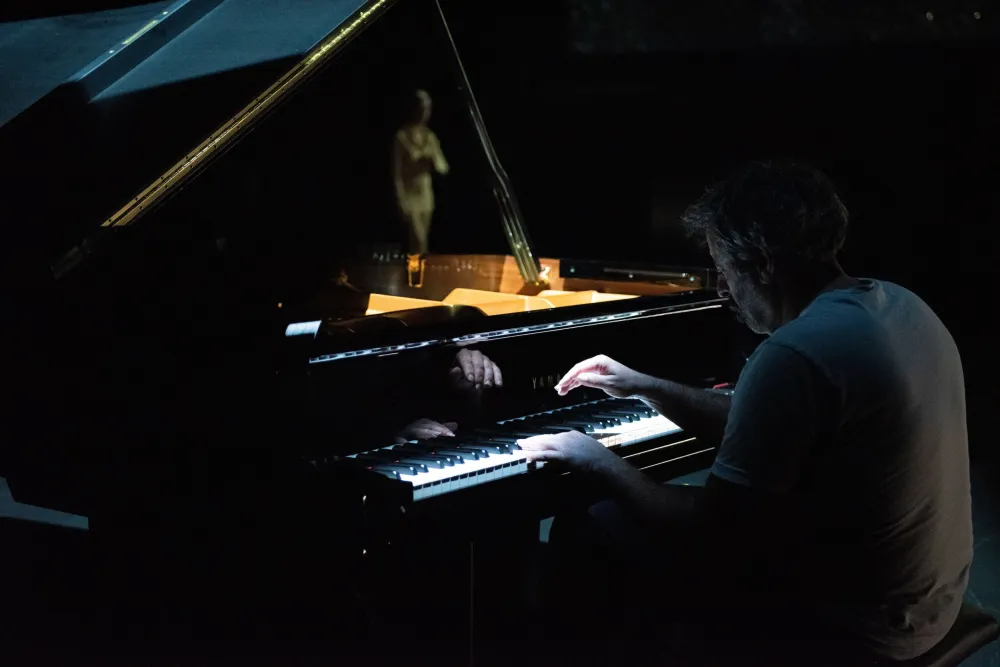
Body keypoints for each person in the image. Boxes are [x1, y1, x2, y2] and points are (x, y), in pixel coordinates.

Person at [519, 161, 972, 665]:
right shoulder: (899, 307)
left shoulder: (797, 352)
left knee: (590, 527)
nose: (722, 290)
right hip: (929, 603)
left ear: (763, 264)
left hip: (855, 630)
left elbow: (712, 535)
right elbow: (761, 422)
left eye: (725, 270)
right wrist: (642, 386)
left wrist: (597, 460)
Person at [392, 89, 449, 256]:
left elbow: (443, 167)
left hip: (425, 194)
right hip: (409, 196)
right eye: (421, 108)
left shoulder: (429, 137)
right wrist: (400, 199)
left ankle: (419, 277)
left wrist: (431, 160)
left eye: (427, 108)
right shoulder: (401, 137)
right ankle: (415, 278)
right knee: (418, 240)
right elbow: (396, 173)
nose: (424, 112)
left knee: (422, 243)